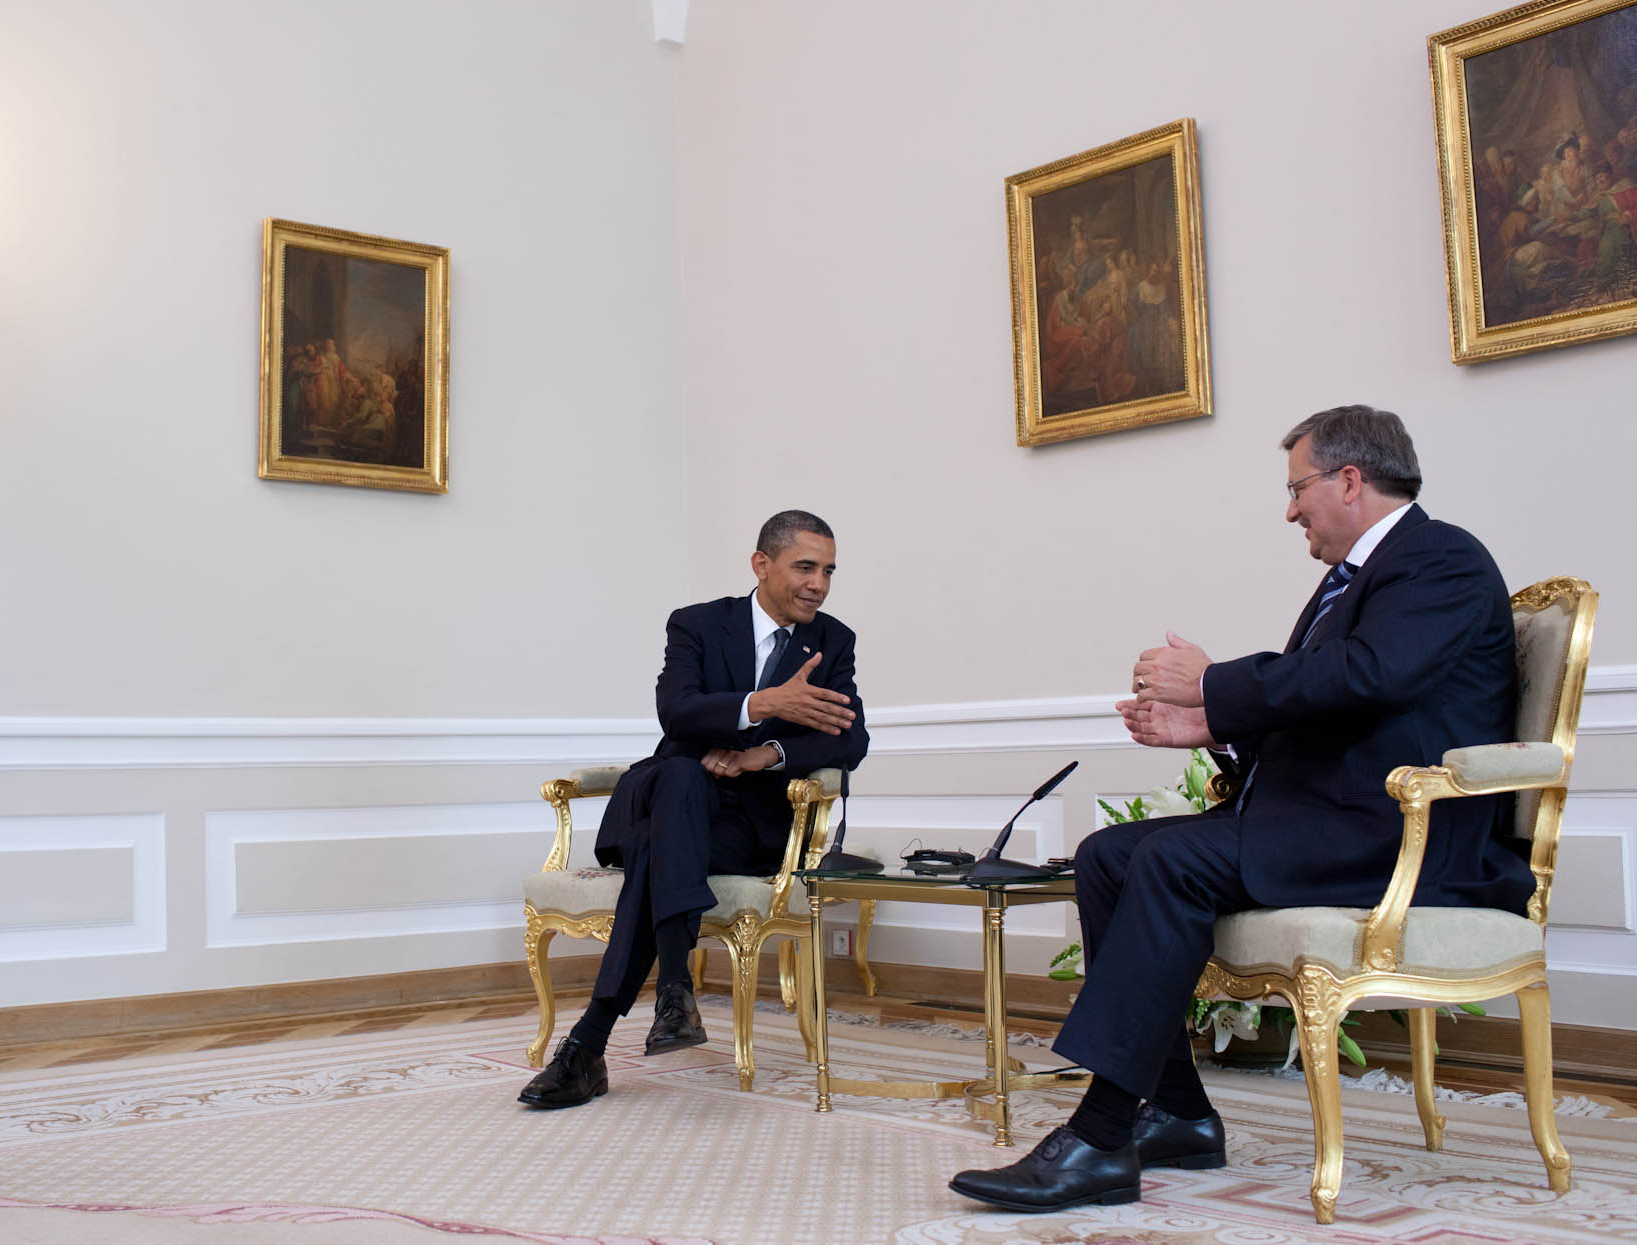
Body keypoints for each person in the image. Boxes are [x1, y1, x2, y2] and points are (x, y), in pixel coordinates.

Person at [950, 405, 1533, 1213]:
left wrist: (1215, 684)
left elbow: (1369, 677)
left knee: (1167, 859)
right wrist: (1207, 731)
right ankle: (1181, 1112)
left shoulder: (1443, 559)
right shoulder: (1352, 581)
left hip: (1401, 838)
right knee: (1107, 855)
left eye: (1298, 488)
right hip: (1332, 821)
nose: (1291, 508)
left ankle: (1100, 1133)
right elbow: (1323, 712)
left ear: (1350, 480)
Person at [517, 510, 870, 1108]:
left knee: (660, 850)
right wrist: (763, 704)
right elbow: (677, 714)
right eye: (805, 567)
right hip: (672, 798)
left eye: (829, 571)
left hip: (744, 827)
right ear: (762, 564)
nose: (819, 584)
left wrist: (766, 754)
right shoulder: (699, 624)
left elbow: (849, 739)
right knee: (681, 772)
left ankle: (592, 1043)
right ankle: (672, 990)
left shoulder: (833, 640)